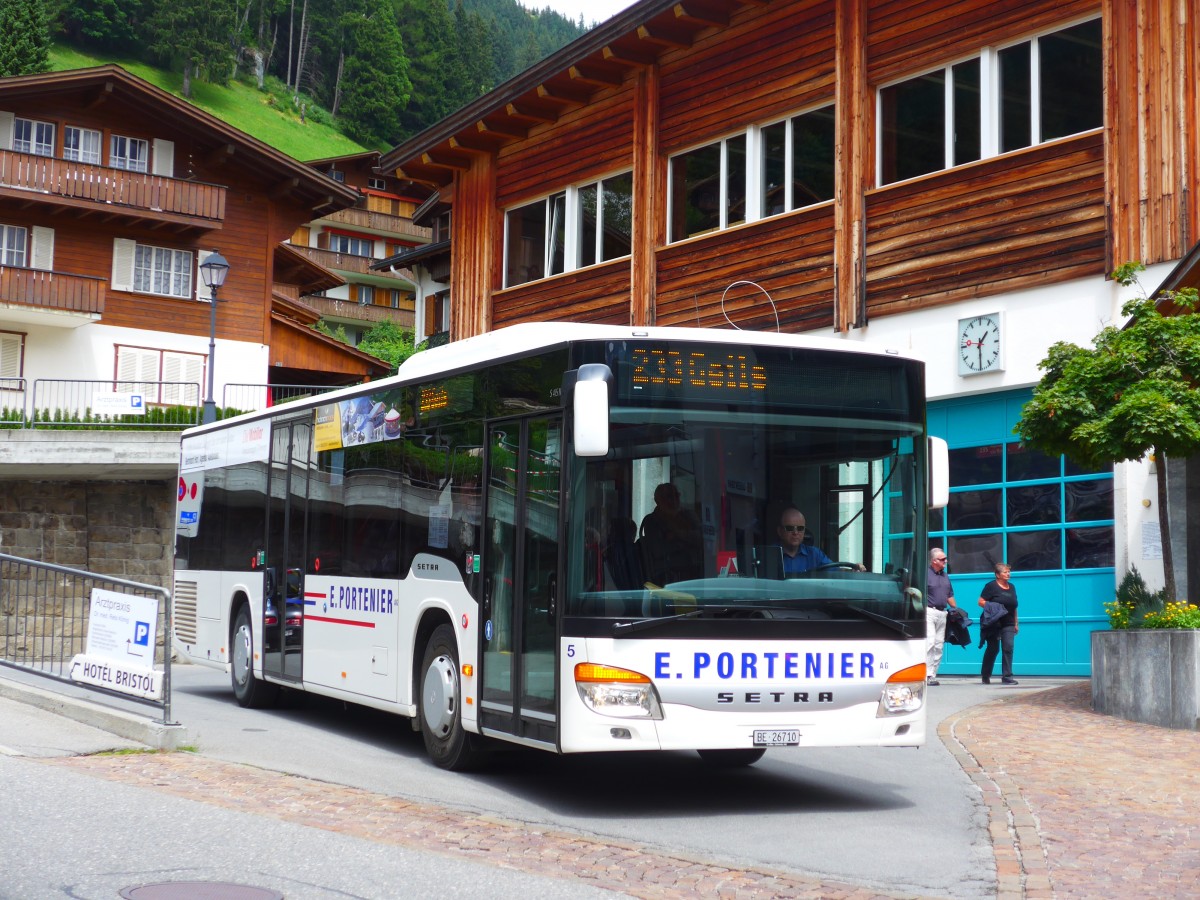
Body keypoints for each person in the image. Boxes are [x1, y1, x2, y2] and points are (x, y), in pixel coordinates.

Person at [638, 483, 702, 585]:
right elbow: (658, 551)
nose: (674, 499)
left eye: (676, 495)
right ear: (658, 500)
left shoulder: (688, 515)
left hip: (696, 574)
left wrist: (678, 534)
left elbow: (702, 539)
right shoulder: (651, 521)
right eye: (669, 496)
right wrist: (686, 542)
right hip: (666, 579)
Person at [978, 561, 1019, 685]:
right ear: (997, 574)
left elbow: (1014, 606)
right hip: (994, 623)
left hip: (1009, 623)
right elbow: (980, 602)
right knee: (993, 649)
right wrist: (995, 607)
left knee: (1008, 648)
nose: (1008, 574)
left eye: (1009, 572)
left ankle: (1007, 677)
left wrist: (1016, 623)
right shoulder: (991, 586)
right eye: (1005, 572)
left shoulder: (1012, 587)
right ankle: (985, 674)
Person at [924, 548, 956, 686]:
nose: (945, 561)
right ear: (934, 561)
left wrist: (956, 610)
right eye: (943, 559)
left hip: (943, 613)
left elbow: (949, 595)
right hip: (929, 611)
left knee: (938, 645)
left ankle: (933, 675)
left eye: (945, 558)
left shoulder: (945, 576)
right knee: (930, 643)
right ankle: (926, 674)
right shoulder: (924, 574)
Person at [775, 507, 833, 575]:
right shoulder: (769, 555)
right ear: (780, 531)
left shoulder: (815, 554)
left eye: (800, 528)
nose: (795, 533)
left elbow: (836, 573)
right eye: (790, 528)